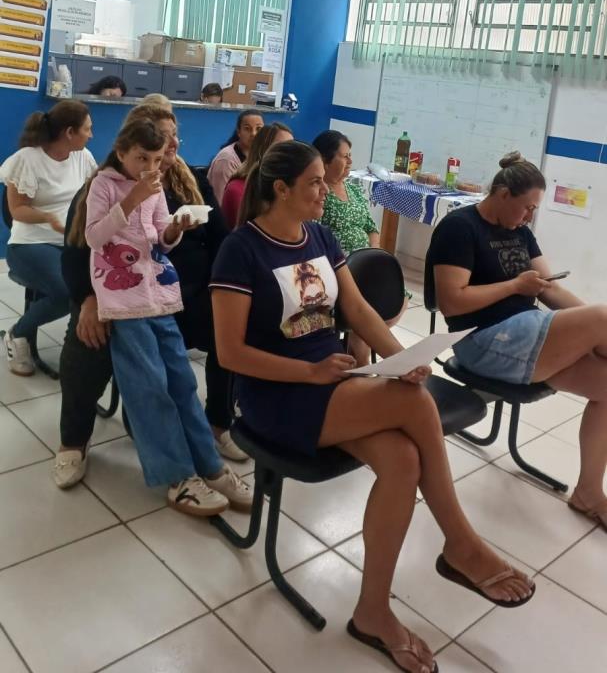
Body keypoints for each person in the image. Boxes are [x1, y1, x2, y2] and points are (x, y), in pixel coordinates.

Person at [211, 141, 534, 673]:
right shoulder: (241, 250)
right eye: (315, 182)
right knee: (415, 404)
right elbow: (230, 353)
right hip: (276, 394)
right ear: (281, 190)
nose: (327, 189)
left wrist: (400, 358)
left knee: (403, 460)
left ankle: (372, 612)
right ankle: (461, 544)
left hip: (332, 379)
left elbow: (358, 309)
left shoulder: (319, 235)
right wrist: (310, 372)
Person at [56, 103, 243, 490]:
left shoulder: (189, 179)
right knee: (91, 349)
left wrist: (181, 235)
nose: (170, 143)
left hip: (172, 293)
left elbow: (209, 238)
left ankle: (214, 430)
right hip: (118, 295)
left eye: (173, 136)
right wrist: (88, 300)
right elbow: (80, 248)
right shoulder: (103, 186)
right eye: (159, 137)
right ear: (128, 145)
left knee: (202, 359)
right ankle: (74, 440)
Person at [428, 150, 607, 532]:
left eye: (534, 211)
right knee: (602, 318)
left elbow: (550, 290)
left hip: (527, 333)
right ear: (503, 193)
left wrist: (593, 333)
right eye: (527, 208)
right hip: (480, 341)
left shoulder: (521, 233)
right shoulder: (459, 227)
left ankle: (589, 493)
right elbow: (452, 301)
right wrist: (514, 285)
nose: (529, 218)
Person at [0, 101, 95, 376]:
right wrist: (48, 218)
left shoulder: (83, 156)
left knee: (97, 284)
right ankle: (18, 333)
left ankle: (81, 348)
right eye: (87, 129)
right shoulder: (27, 159)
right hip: (30, 244)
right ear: (69, 132)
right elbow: (17, 210)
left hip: (70, 241)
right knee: (66, 291)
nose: (91, 135)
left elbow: (95, 193)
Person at [314, 129, 409, 366]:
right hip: (339, 267)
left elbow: (371, 227)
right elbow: (314, 236)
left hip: (366, 264)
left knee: (400, 296)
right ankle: (362, 352)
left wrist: (373, 254)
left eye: (350, 156)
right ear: (325, 160)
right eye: (344, 156)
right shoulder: (318, 194)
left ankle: (360, 339)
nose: (350, 161)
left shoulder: (354, 190)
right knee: (366, 299)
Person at [222, 122, 292, 228]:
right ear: (262, 150)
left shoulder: (290, 186)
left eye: (293, 148)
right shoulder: (237, 189)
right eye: (282, 148)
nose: (291, 154)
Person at [207, 109, 264, 202]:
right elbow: (220, 202)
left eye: (259, 129)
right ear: (239, 132)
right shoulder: (226, 160)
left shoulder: (263, 155)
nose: (254, 134)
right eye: (247, 129)